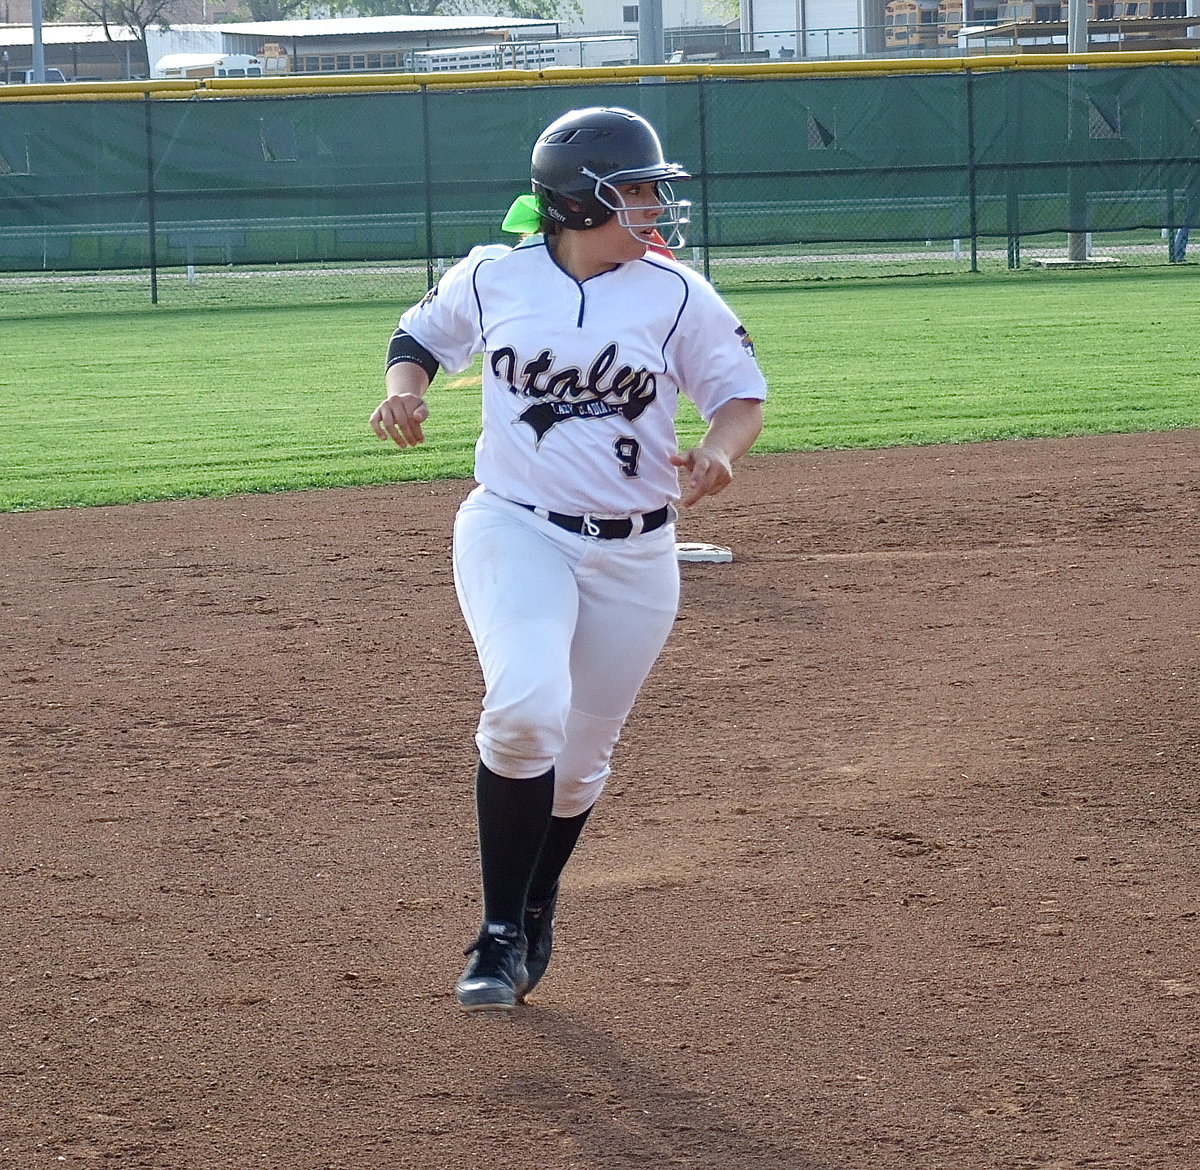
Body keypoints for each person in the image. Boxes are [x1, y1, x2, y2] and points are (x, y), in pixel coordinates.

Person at [370, 106, 767, 1013]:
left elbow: (741, 394)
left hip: (638, 555)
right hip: (519, 527)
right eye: (635, 190)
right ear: (578, 201)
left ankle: (538, 901)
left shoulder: (675, 294)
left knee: (580, 763)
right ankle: (499, 931)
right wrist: (404, 395)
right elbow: (417, 341)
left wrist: (720, 451)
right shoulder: (494, 276)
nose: (653, 206)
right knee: (523, 713)